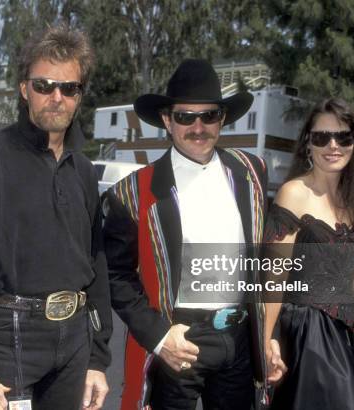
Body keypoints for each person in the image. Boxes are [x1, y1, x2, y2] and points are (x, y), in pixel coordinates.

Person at [103, 59, 285, 410]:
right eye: (186, 117)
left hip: (238, 339)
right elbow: (115, 275)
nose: (198, 127)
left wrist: (269, 334)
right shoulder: (134, 192)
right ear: (168, 121)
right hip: (178, 340)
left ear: (222, 118)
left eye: (209, 116)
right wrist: (158, 337)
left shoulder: (251, 172)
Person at [0, 24, 112, 410]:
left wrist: (98, 359)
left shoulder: (85, 171)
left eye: (68, 88)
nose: (56, 97)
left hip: (75, 339)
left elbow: (97, 266)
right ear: (24, 89)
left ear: (79, 96)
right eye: (44, 85)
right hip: (7, 337)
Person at [263, 98, 354, 409]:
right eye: (321, 137)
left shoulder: (353, 199)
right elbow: (275, 273)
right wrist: (266, 339)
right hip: (311, 335)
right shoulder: (294, 193)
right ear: (308, 145)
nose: (333, 145)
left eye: (343, 136)